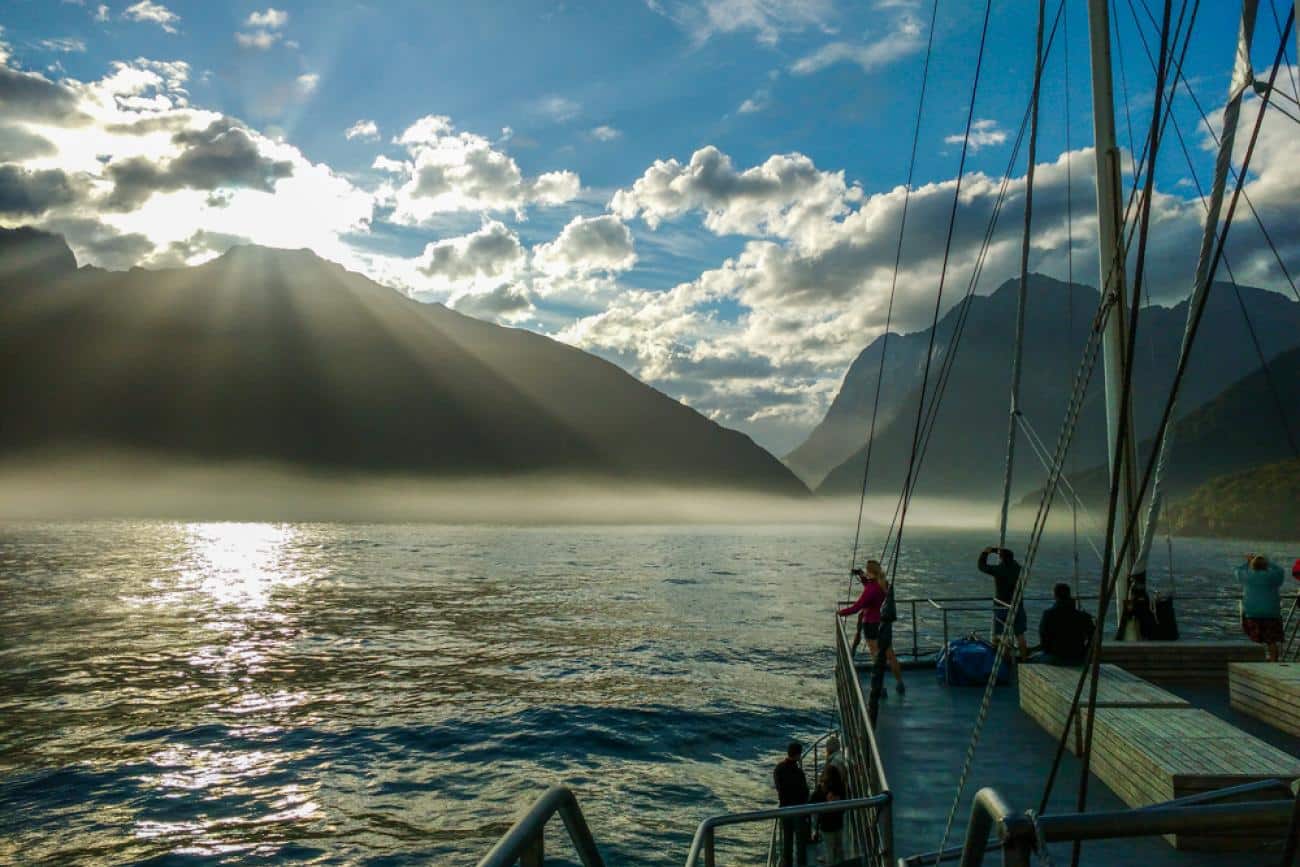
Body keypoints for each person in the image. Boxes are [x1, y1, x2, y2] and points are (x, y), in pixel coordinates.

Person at [837, 560, 905, 695]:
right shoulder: (884, 584)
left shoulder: (870, 589)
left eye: (867, 571)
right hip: (883, 623)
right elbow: (870, 584)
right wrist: (861, 575)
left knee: (875, 656)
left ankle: (882, 688)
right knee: (890, 655)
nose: (865, 573)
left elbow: (856, 607)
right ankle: (900, 683)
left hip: (871, 625)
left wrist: (840, 612)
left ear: (871, 572)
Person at [978, 546, 1029, 661]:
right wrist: (998, 551)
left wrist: (985, 553)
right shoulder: (1018, 569)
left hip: (1002, 605)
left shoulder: (999, 570)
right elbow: (1010, 559)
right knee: (1020, 634)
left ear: (1001, 558)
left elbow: (982, 566)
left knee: (1002, 635)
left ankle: (1005, 661)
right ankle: (1025, 660)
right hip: (1017, 605)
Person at [1236, 554, 1286, 661]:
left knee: (1254, 639)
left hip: (1252, 612)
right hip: (1271, 613)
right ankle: (1273, 661)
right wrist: (1269, 562)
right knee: (1271, 641)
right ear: (1266, 566)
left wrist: (1248, 562)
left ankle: (1256, 661)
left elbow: (1238, 571)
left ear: (1253, 566)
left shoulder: (1248, 577)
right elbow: (1280, 570)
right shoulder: (1273, 577)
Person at [1036, 583, 1095, 665]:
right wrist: (1085, 652)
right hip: (1078, 657)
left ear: (1055, 596)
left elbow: (1043, 637)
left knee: (1030, 660)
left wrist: (1048, 651)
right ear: (1069, 595)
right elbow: (1093, 636)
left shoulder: (1048, 614)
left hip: (1055, 657)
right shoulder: (1084, 616)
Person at [773, 741, 810, 867]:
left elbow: (779, 788)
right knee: (801, 843)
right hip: (798, 810)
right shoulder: (798, 773)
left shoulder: (778, 769)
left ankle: (787, 864)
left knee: (787, 842)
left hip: (784, 809)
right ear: (797, 755)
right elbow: (805, 792)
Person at [810, 762, 846, 866]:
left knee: (829, 849)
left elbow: (811, 802)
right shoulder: (840, 788)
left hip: (826, 825)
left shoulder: (822, 789)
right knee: (839, 848)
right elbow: (844, 807)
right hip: (839, 823)